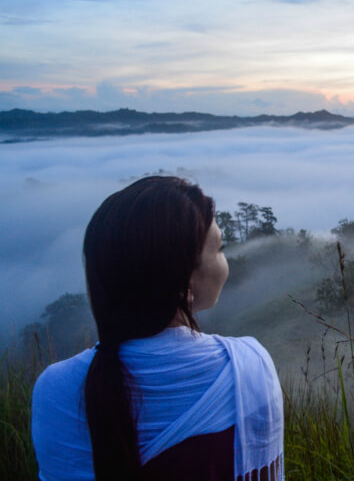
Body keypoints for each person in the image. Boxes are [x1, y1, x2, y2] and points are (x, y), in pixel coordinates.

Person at [31, 176, 283, 481]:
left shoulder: (56, 389)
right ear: (184, 284)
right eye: (220, 247)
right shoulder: (248, 368)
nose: (225, 257)